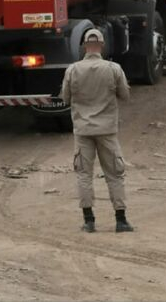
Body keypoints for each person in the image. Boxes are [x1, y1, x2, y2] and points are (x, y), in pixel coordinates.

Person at [60, 29, 134, 234]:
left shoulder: (73, 70)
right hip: (107, 129)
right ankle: (121, 220)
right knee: (115, 175)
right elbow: (125, 95)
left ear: (84, 46)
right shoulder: (113, 68)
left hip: (83, 130)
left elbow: (65, 99)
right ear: (102, 45)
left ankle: (89, 220)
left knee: (84, 174)